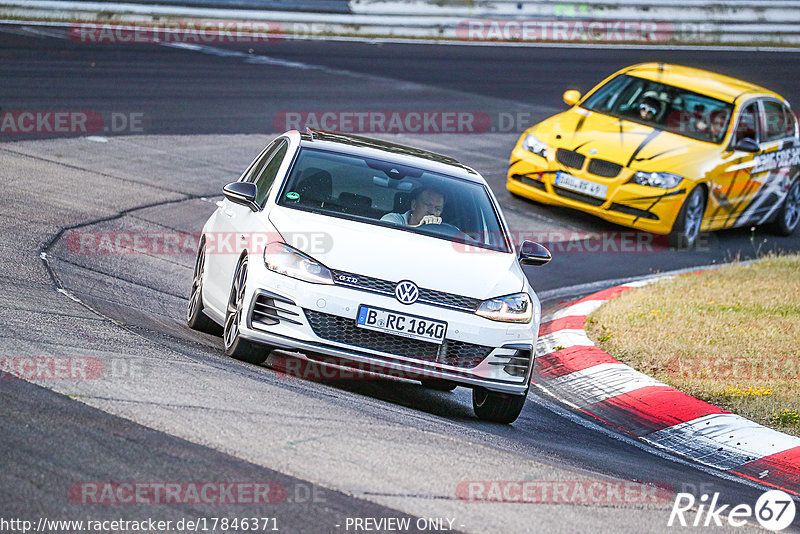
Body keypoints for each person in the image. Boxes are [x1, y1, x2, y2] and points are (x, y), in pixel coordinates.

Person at [381, 187, 445, 227]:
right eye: (428, 204)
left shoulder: (443, 232)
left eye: (437, 209)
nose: (432, 212)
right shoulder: (393, 219)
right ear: (414, 205)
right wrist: (420, 227)